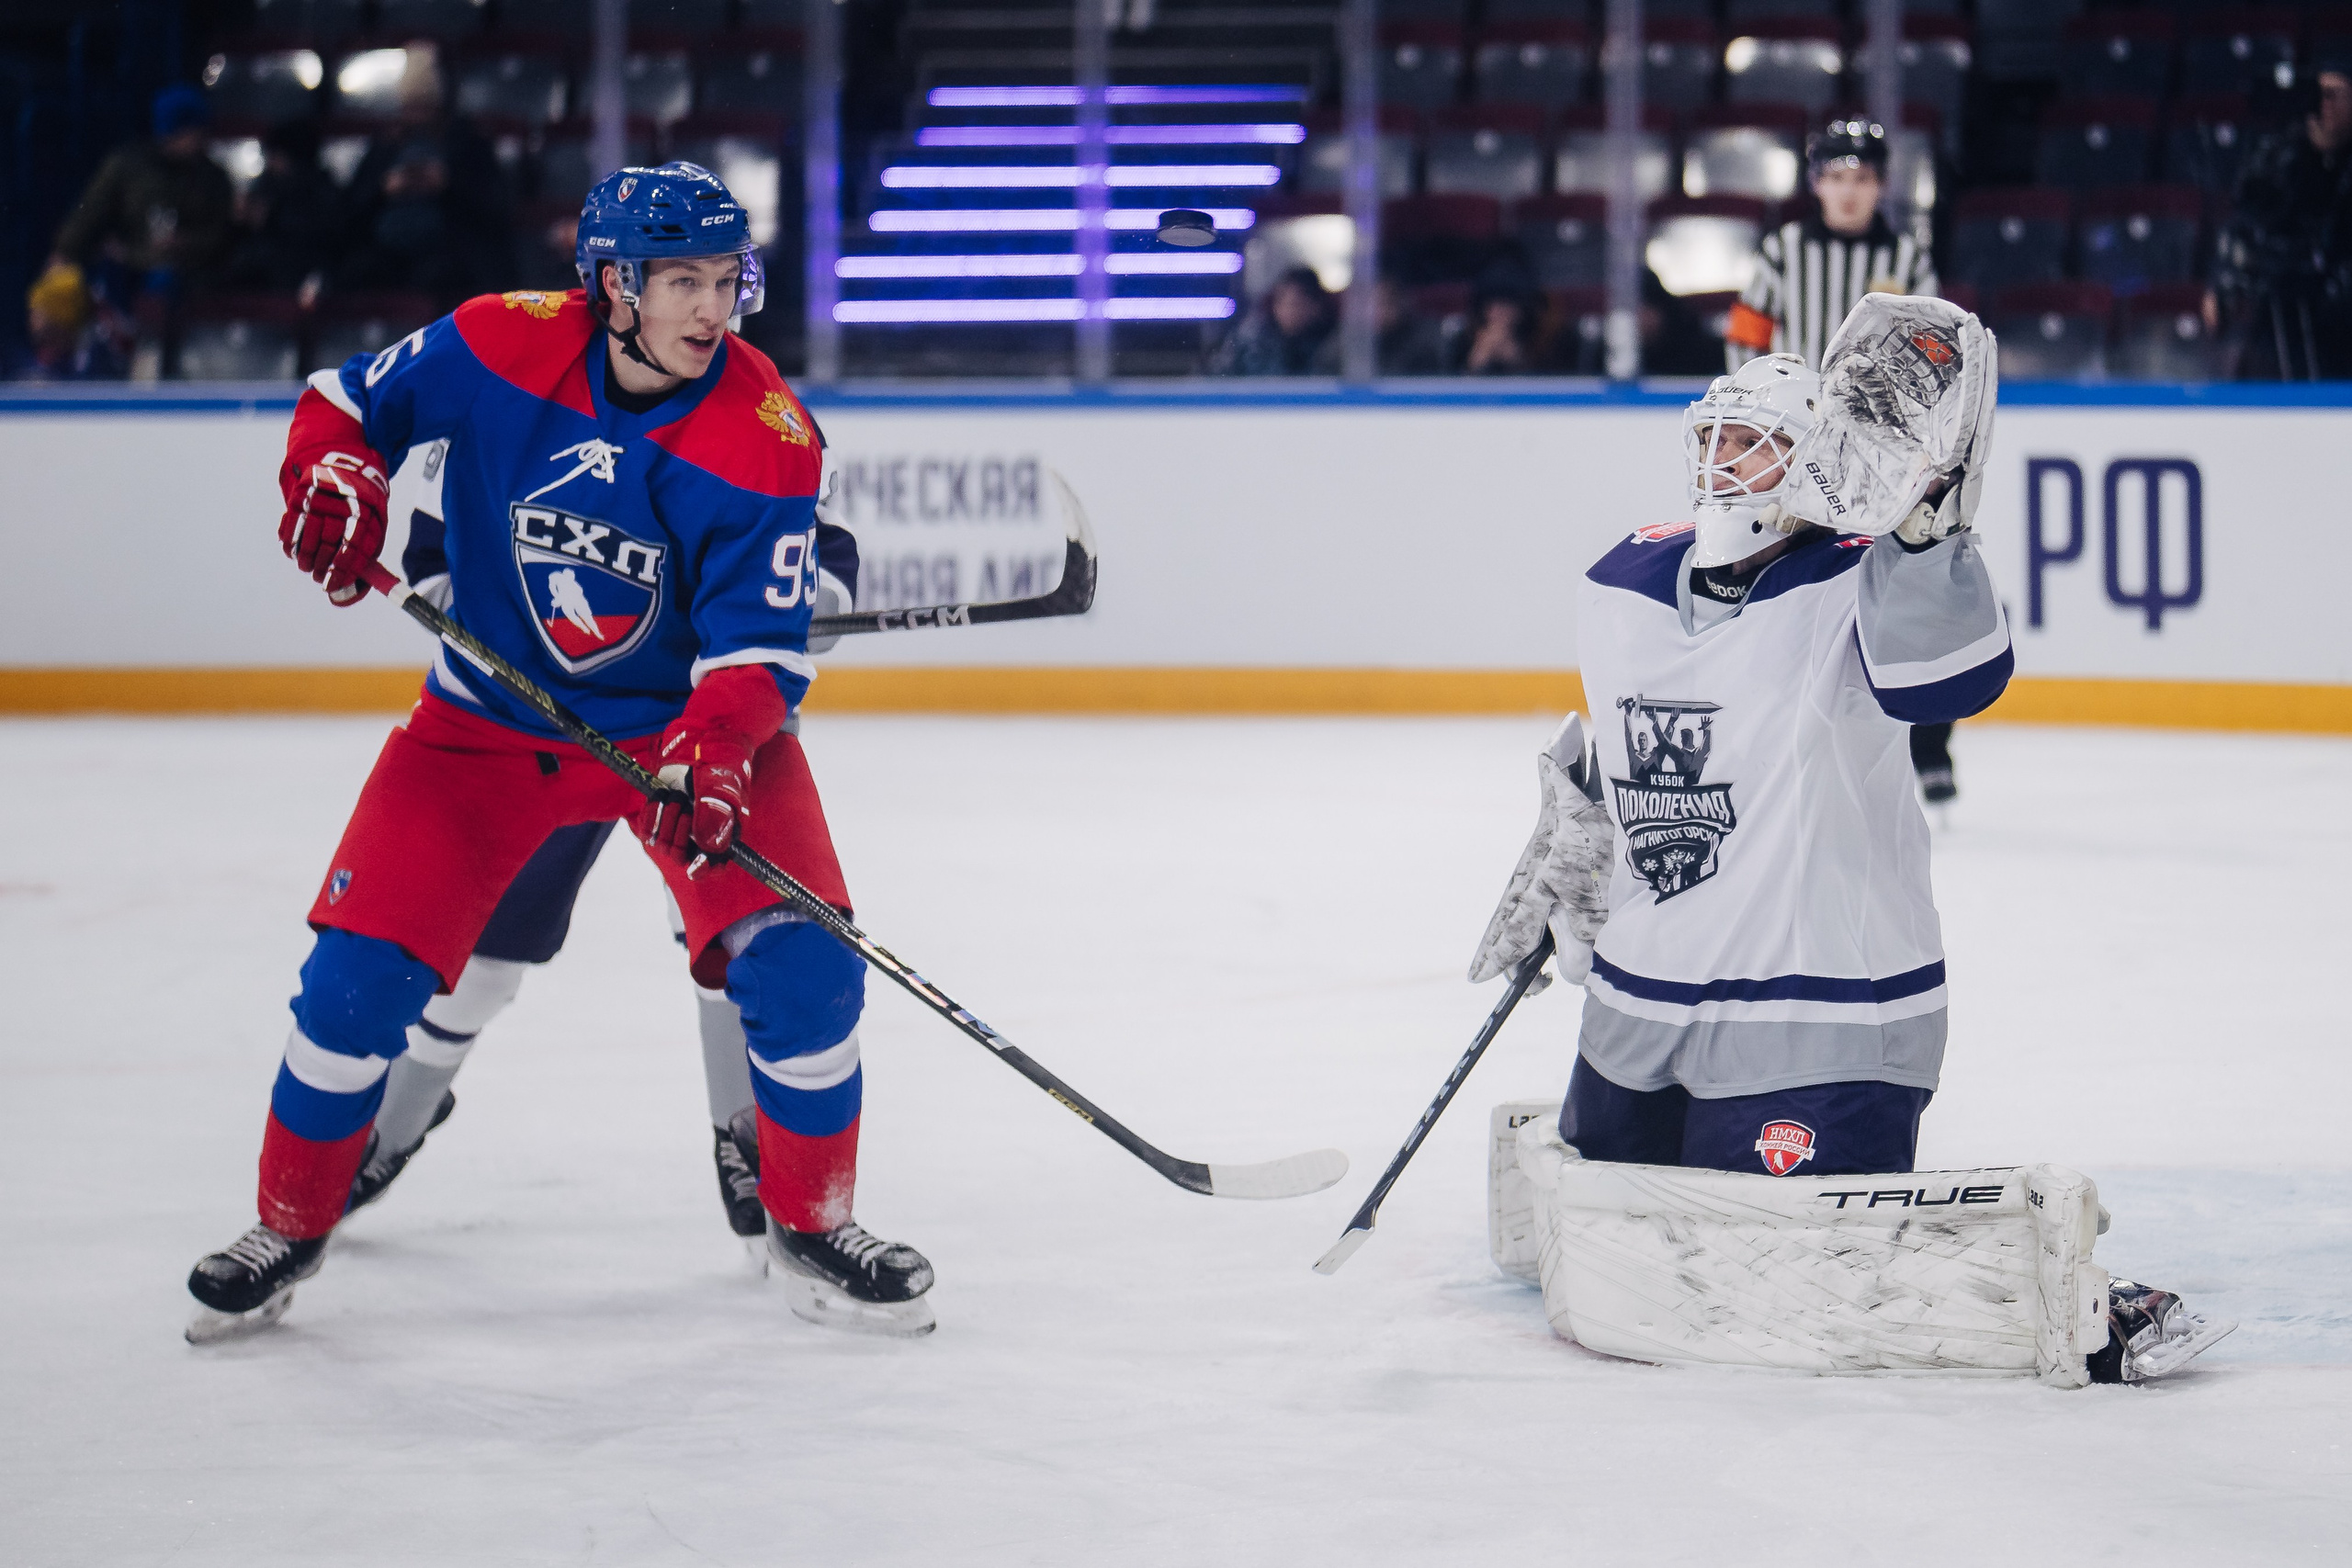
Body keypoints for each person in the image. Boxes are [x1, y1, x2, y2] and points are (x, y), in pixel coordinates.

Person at [184, 161, 935, 1345]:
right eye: (681, 282)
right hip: (484, 727)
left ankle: (812, 1223)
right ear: (612, 286)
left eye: (725, 279)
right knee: (354, 985)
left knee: (803, 967)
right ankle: (289, 1224)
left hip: (672, 735)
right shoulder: (498, 343)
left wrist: (716, 749)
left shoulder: (766, 432)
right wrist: (334, 471)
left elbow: (755, 654)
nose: (711, 308)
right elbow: (342, 402)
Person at [1471, 312, 2227, 1382]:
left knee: (1786, 1279)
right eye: (1716, 438)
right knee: (1612, 1234)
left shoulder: (1865, 576)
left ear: (1812, 465)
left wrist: (1926, 535)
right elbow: (1628, 744)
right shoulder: (1620, 578)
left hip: (1817, 1012)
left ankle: (2080, 1301)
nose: (1726, 462)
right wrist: (1578, 841)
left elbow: (1950, 683)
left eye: (1756, 444)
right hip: (1641, 1006)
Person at [345, 460, 863, 1251]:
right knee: (484, 957)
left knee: (744, 935)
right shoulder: (512, 402)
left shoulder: (758, 418)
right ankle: (394, 1122)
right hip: (547, 722)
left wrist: (802, 608)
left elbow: (821, 558)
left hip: (706, 724)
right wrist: (488, 619)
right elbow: (436, 551)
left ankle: (751, 1139)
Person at [1724, 118, 1952, 805]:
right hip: (1796, 446)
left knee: (1905, 584)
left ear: (1880, 186)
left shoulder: (1906, 258)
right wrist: (1765, 419)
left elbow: (1935, 352)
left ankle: (1928, 743)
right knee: (1784, 583)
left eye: (1862, 178)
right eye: (1836, 177)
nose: (1849, 191)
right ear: (1816, 183)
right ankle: (1774, 732)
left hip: (1886, 454)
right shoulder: (1784, 251)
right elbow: (1744, 339)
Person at [43, 85, 234, 358]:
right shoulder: (127, 167)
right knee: (69, 289)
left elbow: (220, 235)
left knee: (165, 286)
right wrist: (64, 252)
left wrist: (186, 243)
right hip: (125, 267)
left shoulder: (212, 178)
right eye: (189, 131)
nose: (196, 139)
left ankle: (152, 357)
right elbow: (89, 215)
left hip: (189, 273)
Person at [335, 47, 515, 304]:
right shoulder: (386, 145)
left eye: (424, 109)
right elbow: (349, 211)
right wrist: (384, 189)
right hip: (389, 247)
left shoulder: (467, 143)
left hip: (450, 247)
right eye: (411, 109)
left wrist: (447, 185)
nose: (417, 118)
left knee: (446, 274)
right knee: (358, 271)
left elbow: (496, 209)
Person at [2211, 61, 2352, 380]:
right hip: (2280, 304)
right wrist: (2224, 281)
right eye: (2315, 94)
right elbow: (2245, 225)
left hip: (2341, 309)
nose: (2323, 104)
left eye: (2333, 95)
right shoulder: (2278, 157)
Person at [220, 119, 342, 297]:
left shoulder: (320, 189)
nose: (271, 163)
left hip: (300, 273)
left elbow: (325, 235)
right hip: (260, 270)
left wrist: (272, 219)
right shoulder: (267, 184)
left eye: (277, 157)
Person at [1207, 265, 1336, 375]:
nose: (1289, 311)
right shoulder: (1248, 344)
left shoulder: (1332, 348)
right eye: (1282, 302)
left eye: (1297, 304)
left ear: (1316, 307)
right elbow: (1219, 379)